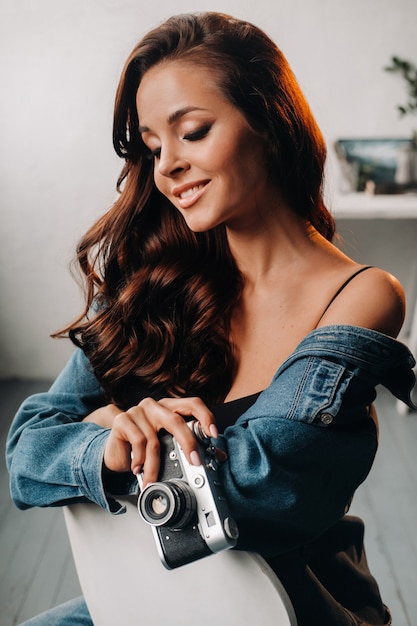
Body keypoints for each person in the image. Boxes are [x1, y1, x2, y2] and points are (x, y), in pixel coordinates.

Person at [6, 11, 416, 626]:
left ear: (271, 124)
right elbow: (26, 453)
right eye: (151, 146)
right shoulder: (151, 282)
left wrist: (108, 433)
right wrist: (114, 443)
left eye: (192, 131)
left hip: (292, 609)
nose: (166, 165)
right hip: (149, 602)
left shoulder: (361, 295)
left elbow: (251, 489)